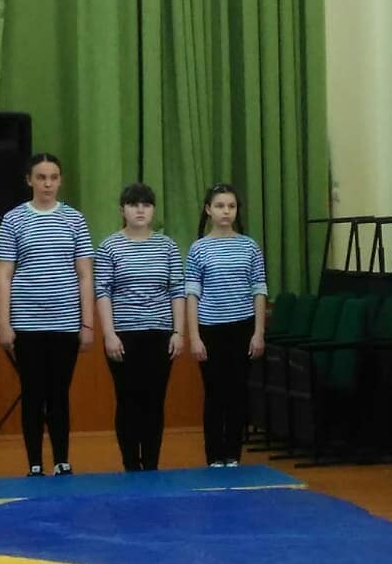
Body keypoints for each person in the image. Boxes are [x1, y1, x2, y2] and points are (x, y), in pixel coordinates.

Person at [0, 153, 94, 476]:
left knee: (59, 394)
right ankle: (35, 463)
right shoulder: (13, 220)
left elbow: (84, 274)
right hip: (27, 324)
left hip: (65, 323)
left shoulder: (74, 220)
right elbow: (4, 274)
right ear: (29, 180)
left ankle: (62, 460)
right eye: (41, 177)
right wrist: (4, 323)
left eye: (53, 177)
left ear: (60, 180)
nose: (47, 183)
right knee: (33, 394)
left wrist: (87, 323)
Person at [95, 183, 186, 471]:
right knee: (127, 400)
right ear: (122, 210)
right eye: (133, 205)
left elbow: (177, 290)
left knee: (154, 401)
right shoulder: (109, 246)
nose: (140, 210)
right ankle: (131, 466)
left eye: (146, 205)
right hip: (123, 336)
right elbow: (103, 292)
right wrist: (109, 334)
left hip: (160, 335)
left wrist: (178, 332)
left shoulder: (167, 246)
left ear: (153, 210)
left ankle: (151, 465)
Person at [185, 183, 266, 467]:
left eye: (231, 206)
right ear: (208, 210)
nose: (226, 212)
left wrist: (258, 332)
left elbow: (259, 289)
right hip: (210, 328)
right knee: (214, 393)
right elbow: (192, 294)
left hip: (242, 327)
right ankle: (214, 455)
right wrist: (195, 336)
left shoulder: (249, 246)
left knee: (237, 393)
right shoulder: (198, 248)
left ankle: (233, 454)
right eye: (220, 206)